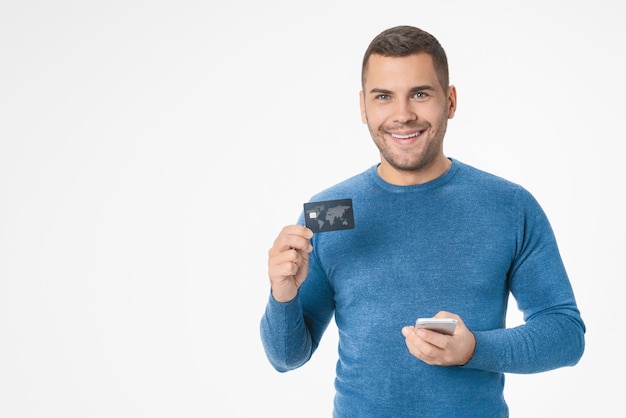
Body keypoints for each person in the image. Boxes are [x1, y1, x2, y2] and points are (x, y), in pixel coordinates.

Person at [260, 25, 585, 417]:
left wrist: (474, 349)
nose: (403, 115)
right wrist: (283, 294)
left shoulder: (509, 206)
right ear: (363, 107)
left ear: (449, 100)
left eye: (420, 93)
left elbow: (565, 334)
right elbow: (286, 358)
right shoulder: (330, 211)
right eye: (384, 97)